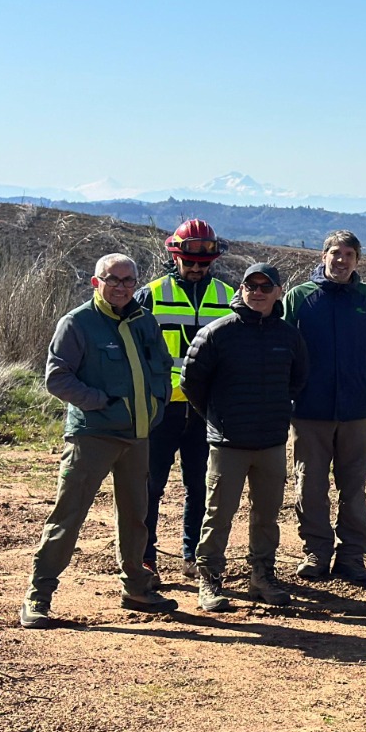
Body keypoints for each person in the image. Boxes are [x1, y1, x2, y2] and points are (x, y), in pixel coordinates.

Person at [19, 254, 178, 628]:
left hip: (138, 437)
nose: (121, 286)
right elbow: (57, 378)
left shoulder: (144, 321)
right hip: (92, 436)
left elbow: (162, 366)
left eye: (128, 280)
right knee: (68, 517)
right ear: (97, 282)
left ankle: (136, 588)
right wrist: (102, 404)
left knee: (136, 518)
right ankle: (38, 596)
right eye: (113, 279)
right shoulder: (77, 323)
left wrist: (157, 403)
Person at [181, 263, 310, 612]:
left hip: (270, 441)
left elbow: (298, 380)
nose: (257, 292)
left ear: (279, 292)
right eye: (250, 286)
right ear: (241, 290)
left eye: (265, 287)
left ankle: (262, 576)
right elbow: (191, 382)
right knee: (218, 514)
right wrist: (216, 417)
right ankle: (209, 580)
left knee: (266, 516)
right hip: (228, 442)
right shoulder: (218, 333)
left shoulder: (289, 336)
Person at [281, 230, 366, 584]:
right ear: (323, 256)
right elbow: (282, 348)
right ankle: (316, 553)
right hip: (308, 412)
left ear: (357, 260)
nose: (341, 260)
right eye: (335, 253)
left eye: (349, 254)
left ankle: (352, 557)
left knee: (354, 488)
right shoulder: (299, 298)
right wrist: (293, 393)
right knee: (310, 486)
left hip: (356, 414)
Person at [136, 219, 235, 583]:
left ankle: (193, 555)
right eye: (189, 262)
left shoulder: (229, 297)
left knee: (201, 485)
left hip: (205, 410)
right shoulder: (150, 294)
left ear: (213, 261)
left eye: (203, 263)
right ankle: (145, 556)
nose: (196, 268)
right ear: (174, 257)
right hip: (161, 409)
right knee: (150, 486)